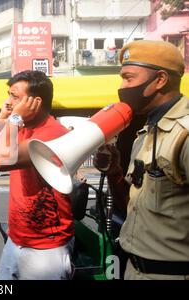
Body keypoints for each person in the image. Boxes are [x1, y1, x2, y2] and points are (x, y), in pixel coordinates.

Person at [93, 40, 189, 280]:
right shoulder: (146, 132)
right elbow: (133, 204)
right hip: (134, 269)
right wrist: (115, 171)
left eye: (129, 78)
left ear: (160, 80)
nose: (123, 87)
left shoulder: (184, 135)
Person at [0, 70, 75, 280]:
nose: (9, 102)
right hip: (17, 239)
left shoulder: (54, 134)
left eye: (15, 97)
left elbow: (1, 160)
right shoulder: (19, 127)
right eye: (8, 95)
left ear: (35, 102)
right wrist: (2, 117)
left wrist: (14, 119)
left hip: (46, 249)